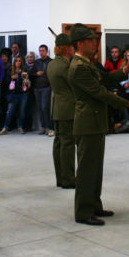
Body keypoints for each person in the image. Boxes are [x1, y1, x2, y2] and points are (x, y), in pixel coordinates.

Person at [68, 23, 129, 226]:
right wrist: (126, 103)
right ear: (81, 43)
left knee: (95, 168)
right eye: (91, 40)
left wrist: (124, 70)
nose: (95, 44)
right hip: (87, 123)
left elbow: (106, 78)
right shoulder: (78, 67)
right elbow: (100, 92)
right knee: (86, 170)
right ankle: (83, 212)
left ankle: (94, 205)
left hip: (95, 122)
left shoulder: (87, 63)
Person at [48, 33, 76, 189]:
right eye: (72, 46)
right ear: (67, 48)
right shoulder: (66, 66)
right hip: (68, 108)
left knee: (59, 143)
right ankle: (68, 178)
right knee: (67, 144)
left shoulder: (52, 64)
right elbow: (74, 86)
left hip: (58, 107)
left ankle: (60, 177)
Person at [0, 56, 30, 135]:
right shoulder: (10, 70)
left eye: (19, 61)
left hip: (23, 94)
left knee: (22, 111)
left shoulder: (25, 71)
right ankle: (5, 127)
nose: (18, 62)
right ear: (14, 62)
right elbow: (6, 82)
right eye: (16, 61)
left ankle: (20, 126)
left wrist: (26, 81)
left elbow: (28, 82)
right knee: (10, 111)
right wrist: (12, 79)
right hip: (13, 94)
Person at [31, 45, 53, 136]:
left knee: (45, 107)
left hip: (46, 87)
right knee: (40, 108)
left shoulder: (51, 62)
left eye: (43, 50)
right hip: (37, 88)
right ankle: (43, 127)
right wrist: (36, 73)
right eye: (40, 51)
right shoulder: (36, 62)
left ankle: (49, 127)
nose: (41, 52)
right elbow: (31, 73)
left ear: (47, 51)